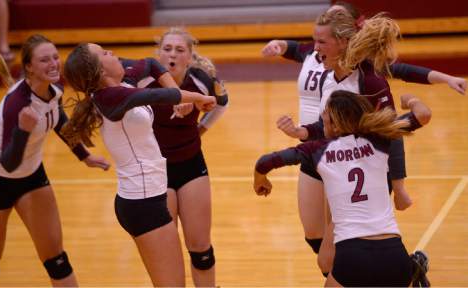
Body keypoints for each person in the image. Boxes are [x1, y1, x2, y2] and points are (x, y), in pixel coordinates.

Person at [261, 1, 466, 264]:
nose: (316, 47)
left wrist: (398, 184)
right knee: (315, 235)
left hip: (354, 163)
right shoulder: (325, 69)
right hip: (318, 150)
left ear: (344, 37)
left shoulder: (367, 76)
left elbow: (389, 128)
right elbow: (324, 119)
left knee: (337, 254)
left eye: (322, 41)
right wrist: (301, 131)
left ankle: (400, 270)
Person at [61, 42, 217, 286]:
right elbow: (157, 95)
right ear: (101, 72)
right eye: (104, 53)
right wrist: (196, 97)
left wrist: (176, 93)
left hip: (149, 197)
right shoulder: (109, 98)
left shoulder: (120, 83)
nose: (113, 53)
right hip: (143, 205)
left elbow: (152, 64)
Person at [0, 34, 110, 287]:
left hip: (31, 178)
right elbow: (8, 163)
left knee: (57, 259)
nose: (54, 64)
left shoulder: (54, 90)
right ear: (29, 67)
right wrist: (23, 130)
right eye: (45, 60)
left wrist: (84, 156)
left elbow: (59, 121)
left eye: (55, 57)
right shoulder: (16, 104)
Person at [253, 90, 432, 287]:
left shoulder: (317, 150)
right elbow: (423, 115)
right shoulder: (381, 138)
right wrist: (411, 100)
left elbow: (265, 162)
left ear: (336, 125)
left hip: (353, 255)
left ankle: (412, 268)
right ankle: (412, 268)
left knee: (328, 263)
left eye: (326, 114)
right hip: (394, 255)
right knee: (325, 260)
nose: (322, 116)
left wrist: (260, 180)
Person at [128, 27, 228, 287]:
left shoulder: (201, 79)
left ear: (190, 57)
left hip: (191, 164)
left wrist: (201, 127)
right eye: (167, 48)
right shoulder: (143, 82)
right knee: (167, 252)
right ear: (158, 54)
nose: (172, 54)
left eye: (180, 50)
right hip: (156, 171)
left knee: (200, 249)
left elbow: (222, 102)